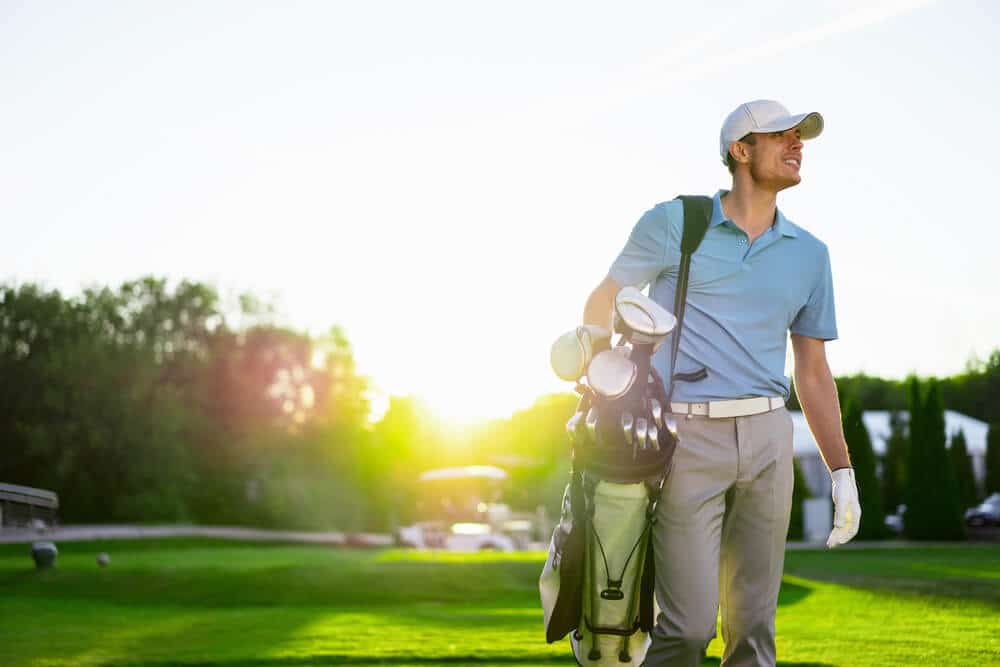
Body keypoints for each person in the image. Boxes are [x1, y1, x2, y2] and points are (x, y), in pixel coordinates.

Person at [581, 100, 861, 667]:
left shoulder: (810, 254)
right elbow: (603, 298)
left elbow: (812, 370)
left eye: (799, 137)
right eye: (781, 136)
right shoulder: (674, 224)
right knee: (685, 628)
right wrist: (599, 374)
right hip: (685, 437)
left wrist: (842, 471)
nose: (796, 144)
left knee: (754, 631)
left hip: (768, 437)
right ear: (740, 150)